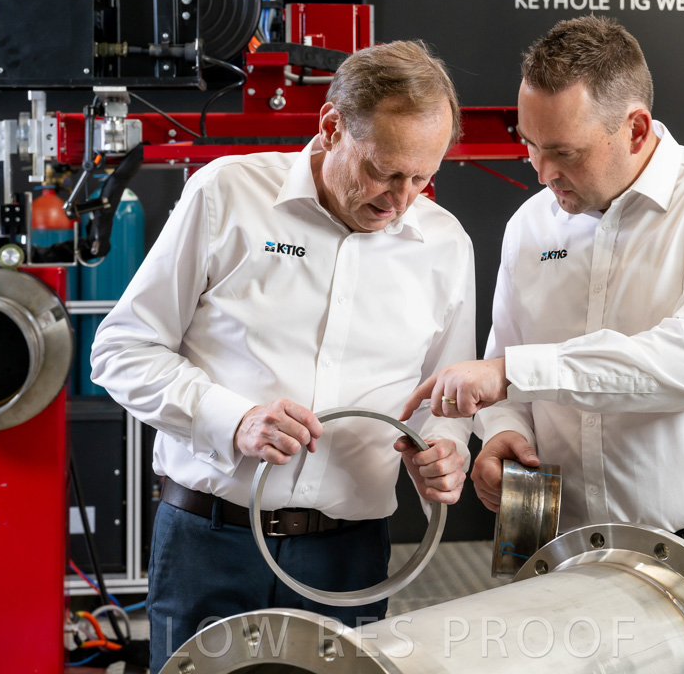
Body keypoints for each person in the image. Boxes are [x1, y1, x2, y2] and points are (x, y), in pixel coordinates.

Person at [404, 16, 684, 672]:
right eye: (530, 144)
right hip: (570, 562)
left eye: (565, 151)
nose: (541, 171)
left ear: (635, 129)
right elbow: (507, 358)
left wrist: (511, 375)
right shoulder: (532, 226)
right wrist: (503, 433)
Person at [91, 40, 475, 673]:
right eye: (383, 171)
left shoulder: (444, 244)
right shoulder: (228, 194)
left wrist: (443, 450)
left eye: (421, 177)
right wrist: (234, 420)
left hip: (349, 558)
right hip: (210, 542)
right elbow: (122, 350)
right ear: (331, 127)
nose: (400, 198)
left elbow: (444, 397)